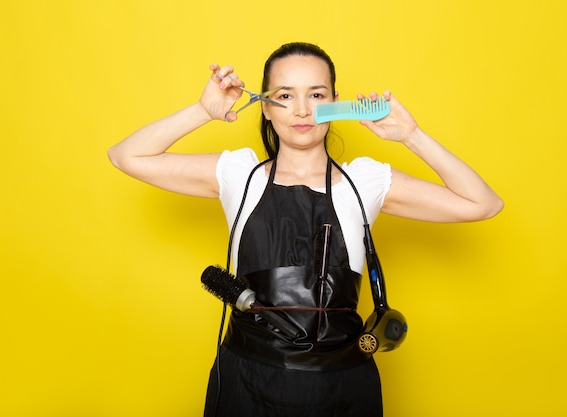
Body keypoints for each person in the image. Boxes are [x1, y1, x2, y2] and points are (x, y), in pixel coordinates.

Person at [108, 42, 503, 417]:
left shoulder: (364, 180)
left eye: (316, 95)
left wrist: (411, 136)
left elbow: (483, 204)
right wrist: (201, 111)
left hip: (342, 390)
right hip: (247, 381)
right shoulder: (237, 173)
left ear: (335, 104)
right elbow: (125, 155)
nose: (301, 110)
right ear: (264, 107)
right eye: (284, 95)